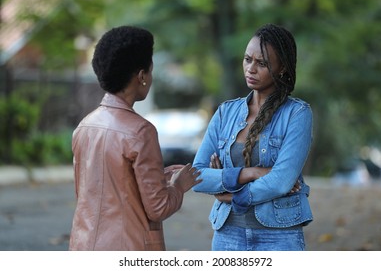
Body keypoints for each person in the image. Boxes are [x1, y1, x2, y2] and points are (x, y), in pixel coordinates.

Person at [69, 25, 201, 251]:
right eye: (150, 71)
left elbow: (99, 192)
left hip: (83, 245)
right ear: (141, 76)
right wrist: (178, 186)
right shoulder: (141, 131)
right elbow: (158, 208)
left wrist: (161, 177)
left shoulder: (85, 126)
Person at [192, 23, 313, 251]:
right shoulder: (225, 113)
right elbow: (197, 176)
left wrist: (229, 194)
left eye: (262, 63)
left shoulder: (297, 114)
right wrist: (252, 173)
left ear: (282, 69)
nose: (251, 69)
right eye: (248, 59)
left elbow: (281, 182)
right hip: (227, 235)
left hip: (279, 237)